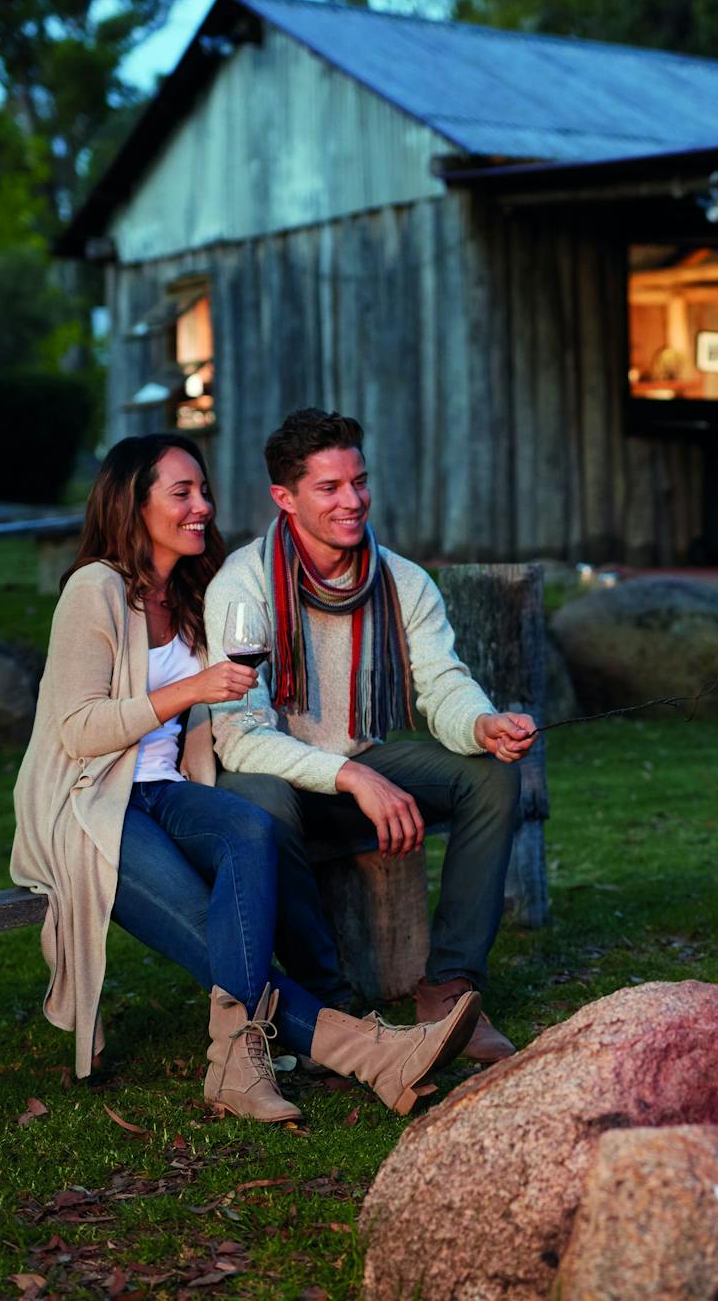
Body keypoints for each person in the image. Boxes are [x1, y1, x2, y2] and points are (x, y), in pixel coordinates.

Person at [10, 433, 480, 1121]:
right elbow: (77, 731)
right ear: (131, 505)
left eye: (203, 491)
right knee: (213, 937)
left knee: (250, 826)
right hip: (89, 807)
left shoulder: (194, 594)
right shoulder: (96, 590)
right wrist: (190, 687)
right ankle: (363, 1051)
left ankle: (247, 1057)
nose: (202, 505)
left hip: (170, 793)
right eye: (182, 494)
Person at [206, 410, 536, 1062]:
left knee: (491, 776)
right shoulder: (242, 589)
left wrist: (479, 722)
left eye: (358, 481)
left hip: (360, 755)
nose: (352, 500)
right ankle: (329, 1008)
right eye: (329, 487)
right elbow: (239, 739)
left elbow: (441, 680)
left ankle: (451, 989)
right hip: (283, 779)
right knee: (260, 802)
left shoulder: (402, 580)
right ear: (285, 497)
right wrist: (353, 777)